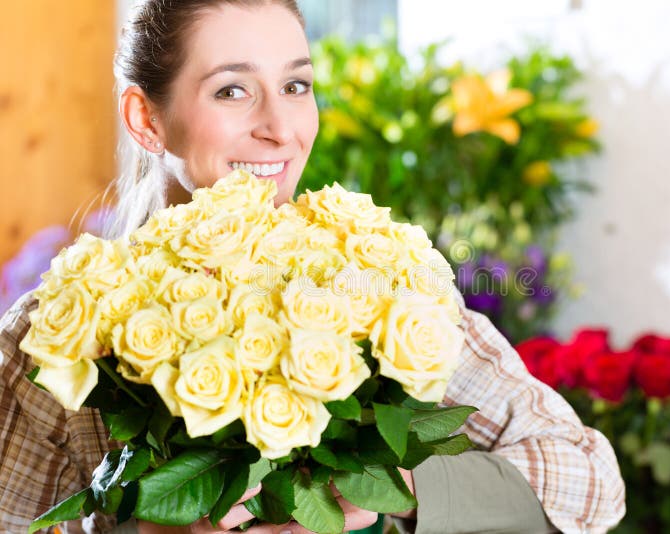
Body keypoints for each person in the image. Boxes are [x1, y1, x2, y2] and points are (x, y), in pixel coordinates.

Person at [0, 1, 626, 533]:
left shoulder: (376, 284)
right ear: (146, 118)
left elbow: (591, 480)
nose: (281, 128)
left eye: (296, 86)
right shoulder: (55, 331)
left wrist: (394, 487)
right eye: (232, 90)